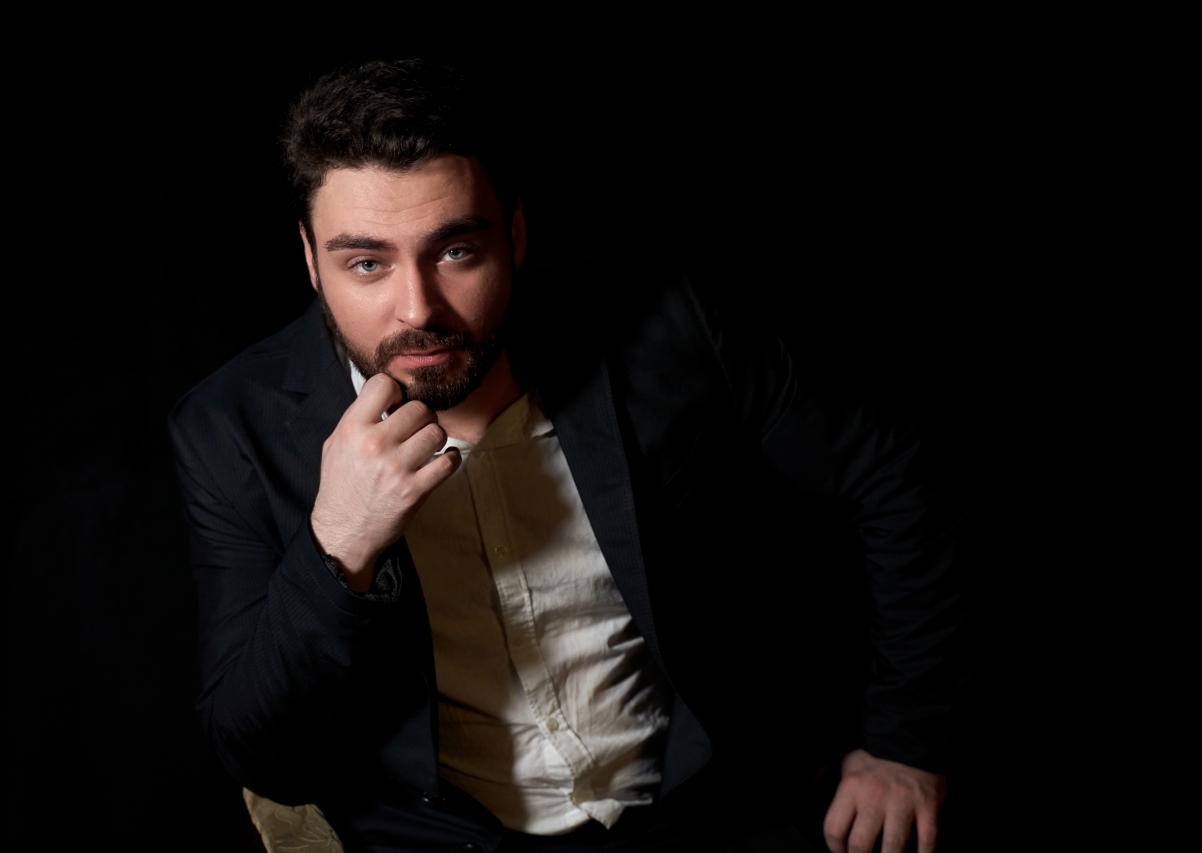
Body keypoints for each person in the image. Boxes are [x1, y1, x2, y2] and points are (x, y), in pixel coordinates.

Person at [167, 56, 969, 853]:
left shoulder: (669, 329)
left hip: (705, 804)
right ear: (312, 261)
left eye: (456, 251)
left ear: (514, 234)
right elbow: (259, 752)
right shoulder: (230, 430)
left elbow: (894, 475)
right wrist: (338, 543)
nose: (417, 308)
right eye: (367, 263)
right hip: (440, 835)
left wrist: (908, 741)